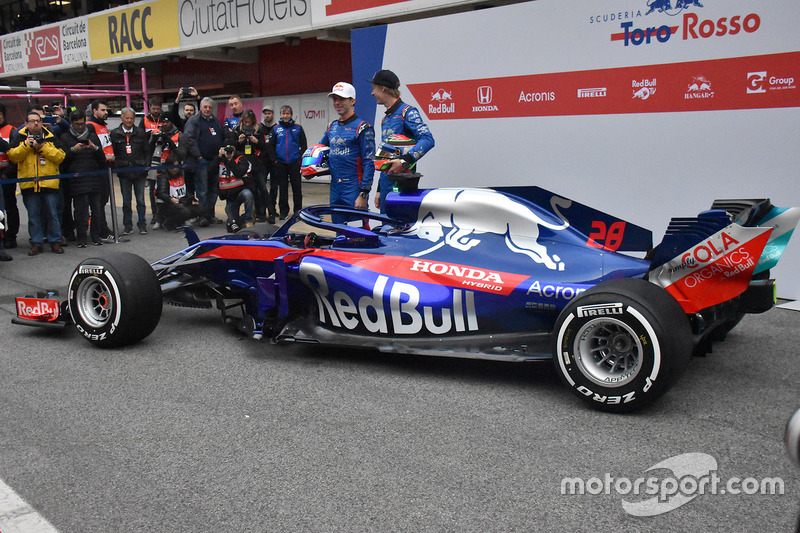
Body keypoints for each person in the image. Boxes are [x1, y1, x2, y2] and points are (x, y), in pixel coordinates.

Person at [370, 69, 435, 213]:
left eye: (374, 88)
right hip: (387, 184)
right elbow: (385, 157)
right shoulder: (386, 118)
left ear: (383, 88)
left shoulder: (407, 112)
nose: (372, 93)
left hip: (404, 185)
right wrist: (380, 189)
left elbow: (428, 140)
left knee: (400, 230)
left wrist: (404, 161)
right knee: (386, 229)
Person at [7, 112, 66, 255]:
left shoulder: (50, 136)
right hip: (29, 183)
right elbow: (13, 156)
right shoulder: (19, 137)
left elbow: (60, 156)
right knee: (33, 216)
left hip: (49, 182)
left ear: (42, 122)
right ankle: (36, 242)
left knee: (53, 214)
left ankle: (55, 241)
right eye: (32, 121)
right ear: (26, 124)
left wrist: (42, 148)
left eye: (38, 121)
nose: (35, 124)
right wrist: (27, 145)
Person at [319, 82, 375, 223]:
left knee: (358, 237)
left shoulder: (363, 128)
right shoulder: (332, 126)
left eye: (342, 99)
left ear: (352, 101)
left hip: (354, 189)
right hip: (335, 189)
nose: (337, 103)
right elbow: (319, 150)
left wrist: (363, 193)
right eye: (335, 99)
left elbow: (369, 162)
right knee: (339, 234)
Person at [60, 110, 108, 247]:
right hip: (77, 180)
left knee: (97, 210)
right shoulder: (65, 137)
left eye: (82, 124)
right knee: (81, 211)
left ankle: (96, 236)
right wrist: (73, 150)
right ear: (71, 123)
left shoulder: (92, 136)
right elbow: (62, 160)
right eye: (77, 124)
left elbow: (102, 159)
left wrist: (95, 148)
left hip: (94, 178)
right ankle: (81, 238)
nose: (80, 127)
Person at [226, 109, 275, 224]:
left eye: (249, 122)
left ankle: (271, 212)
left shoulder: (259, 130)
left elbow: (265, 147)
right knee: (252, 191)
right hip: (243, 164)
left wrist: (256, 141)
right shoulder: (237, 130)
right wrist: (239, 141)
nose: (247, 124)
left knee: (263, 188)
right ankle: (254, 213)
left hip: (257, 164)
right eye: (246, 122)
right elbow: (232, 147)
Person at [184, 97, 224, 227]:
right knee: (202, 190)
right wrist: (198, 155)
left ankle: (209, 214)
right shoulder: (194, 121)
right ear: (200, 107)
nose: (207, 109)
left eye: (210, 107)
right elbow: (189, 138)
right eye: (205, 107)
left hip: (215, 160)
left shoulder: (215, 121)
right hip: (202, 161)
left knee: (214, 189)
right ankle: (201, 216)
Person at [110, 108, 150, 235]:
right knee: (126, 201)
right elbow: (113, 153)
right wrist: (117, 166)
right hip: (124, 172)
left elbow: (147, 151)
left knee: (141, 200)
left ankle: (142, 224)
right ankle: (127, 225)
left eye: (131, 118)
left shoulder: (140, 132)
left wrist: (146, 165)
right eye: (127, 118)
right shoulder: (115, 134)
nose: (129, 121)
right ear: (122, 118)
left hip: (139, 171)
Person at [269, 105, 307, 219]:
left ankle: (298, 211)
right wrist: (275, 160)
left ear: (291, 115)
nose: (285, 116)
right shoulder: (275, 129)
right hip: (280, 163)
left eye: (287, 113)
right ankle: (283, 212)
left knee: (297, 188)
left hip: (294, 162)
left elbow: (304, 145)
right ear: (280, 115)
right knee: (283, 188)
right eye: (283, 113)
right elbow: (270, 146)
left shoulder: (298, 128)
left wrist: (300, 159)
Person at [86, 99, 115, 241]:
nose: (106, 112)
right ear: (94, 111)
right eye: (102, 110)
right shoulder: (91, 126)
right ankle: (101, 230)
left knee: (103, 201)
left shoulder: (102, 125)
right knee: (99, 203)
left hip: (107, 168)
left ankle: (103, 229)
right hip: (99, 169)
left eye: (106, 110)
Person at [212, 145, 254, 233]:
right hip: (229, 195)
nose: (228, 152)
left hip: (240, 191)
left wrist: (230, 160)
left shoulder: (241, 159)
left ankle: (248, 219)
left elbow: (239, 173)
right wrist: (218, 157)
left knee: (248, 194)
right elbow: (211, 170)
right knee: (233, 223)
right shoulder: (220, 160)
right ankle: (237, 219)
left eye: (231, 150)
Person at [156, 153, 203, 231]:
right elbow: (160, 193)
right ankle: (168, 223)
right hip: (167, 205)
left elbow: (184, 190)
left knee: (199, 208)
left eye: (176, 167)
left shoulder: (181, 174)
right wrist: (170, 199)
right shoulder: (163, 177)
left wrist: (192, 198)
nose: (174, 169)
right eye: (172, 168)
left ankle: (180, 222)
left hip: (181, 201)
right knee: (184, 211)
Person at [0, 101, 20, 251]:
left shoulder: (11, 131)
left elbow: (16, 155)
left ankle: (11, 236)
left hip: (7, 175)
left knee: (9, 206)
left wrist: (7, 173)